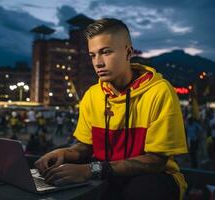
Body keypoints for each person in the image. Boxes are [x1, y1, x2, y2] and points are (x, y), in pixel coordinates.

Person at [34, 18, 188, 200]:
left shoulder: (159, 91)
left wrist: (91, 170)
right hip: (104, 171)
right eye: (93, 55)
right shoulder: (92, 95)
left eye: (106, 52)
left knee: (141, 191)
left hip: (153, 177)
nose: (98, 63)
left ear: (128, 52)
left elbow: (156, 161)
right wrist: (63, 153)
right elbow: (85, 146)